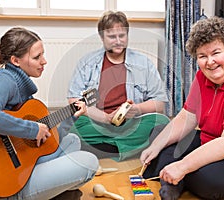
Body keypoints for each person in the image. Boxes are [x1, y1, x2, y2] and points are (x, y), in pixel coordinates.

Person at [140, 16, 224, 200]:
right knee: (159, 137)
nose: (209, 62)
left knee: (207, 180)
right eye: (202, 56)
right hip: (211, 140)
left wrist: (182, 165)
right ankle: (175, 179)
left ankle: (175, 180)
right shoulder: (203, 77)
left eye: (215, 53)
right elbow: (186, 118)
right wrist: (155, 147)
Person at [0, 27, 99, 200]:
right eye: (36, 57)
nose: (44, 61)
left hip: (19, 166)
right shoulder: (4, 80)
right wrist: (32, 129)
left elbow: (47, 141)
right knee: (89, 162)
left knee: (72, 141)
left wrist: (72, 115)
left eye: (43, 55)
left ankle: (54, 192)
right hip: (5, 184)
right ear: (15, 60)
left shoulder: (22, 89)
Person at [63, 10, 170, 161]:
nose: (118, 41)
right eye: (112, 36)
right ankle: (127, 149)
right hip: (97, 123)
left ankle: (101, 149)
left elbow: (160, 104)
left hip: (132, 124)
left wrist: (137, 109)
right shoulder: (87, 62)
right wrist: (105, 118)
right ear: (102, 37)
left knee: (162, 122)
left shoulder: (143, 63)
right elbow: (74, 100)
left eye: (122, 35)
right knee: (69, 127)